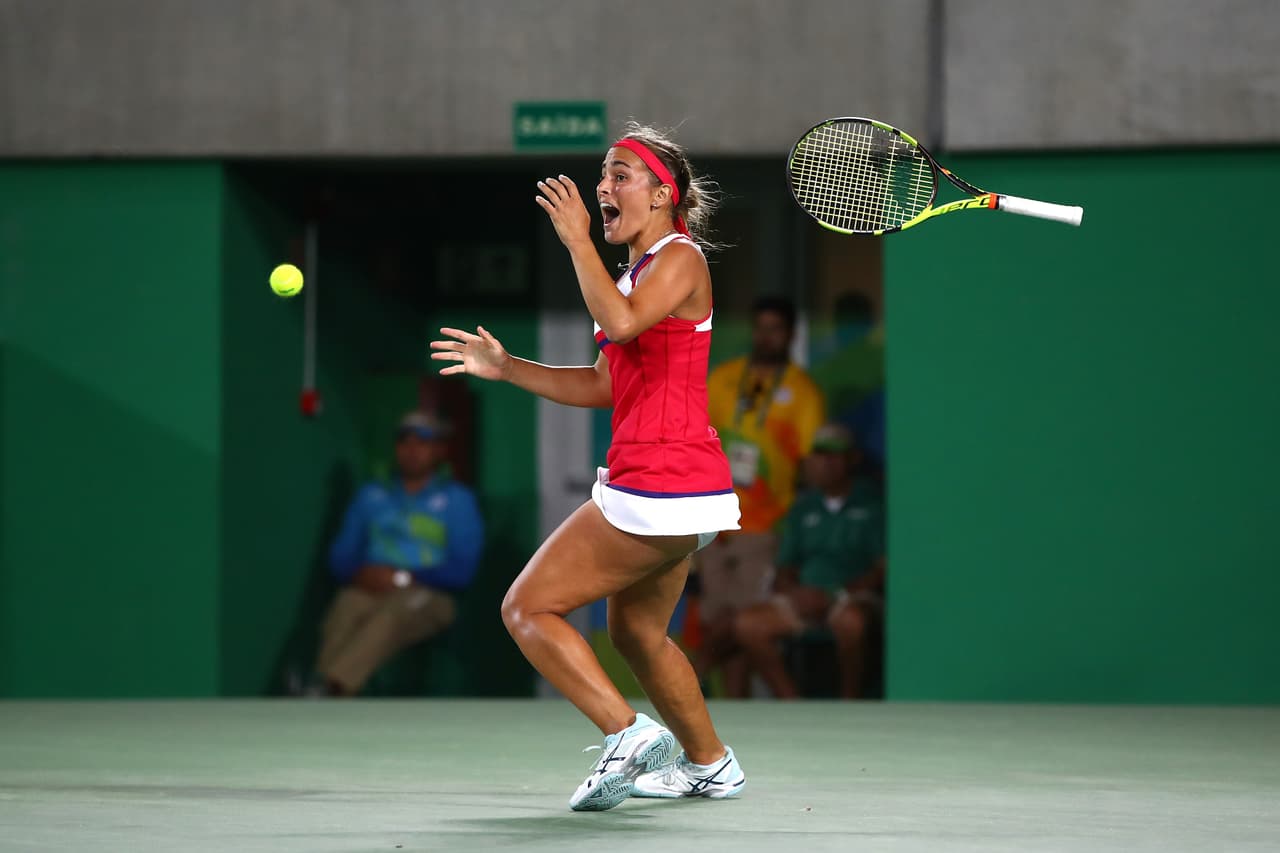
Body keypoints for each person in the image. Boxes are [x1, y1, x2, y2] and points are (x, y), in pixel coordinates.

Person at [430, 123, 746, 810]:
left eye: (620, 175)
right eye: (603, 174)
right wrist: (509, 367)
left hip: (657, 483)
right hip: (682, 488)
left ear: (664, 195)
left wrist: (576, 240)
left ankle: (625, 732)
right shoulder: (639, 272)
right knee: (635, 631)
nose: (603, 187)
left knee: (526, 605)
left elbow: (625, 323)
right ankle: (710, 763)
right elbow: (606, 382)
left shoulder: (680, 259)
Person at [695, 295, 826, 695]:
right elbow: (699, 435)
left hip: (766, 525)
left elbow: (810, 466)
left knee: (742, 623)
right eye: (761, 327)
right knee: (718, 619)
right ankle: (732, 708)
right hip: (714, 519)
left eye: (776, 328)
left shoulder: (802, 392)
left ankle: (689, 675)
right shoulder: (724, 378)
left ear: (790, 334)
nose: (766, 336)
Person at [314, 411, 484, 697]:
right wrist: (362, 573)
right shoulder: (371, 495)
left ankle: (331, 687)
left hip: (432, 595)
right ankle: (328, 692)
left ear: (439, 450)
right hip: (370, 588)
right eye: (405, 442)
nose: (412, 450)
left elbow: (463, 569)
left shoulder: (457, 500)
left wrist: (404, 577)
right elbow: (340, 557)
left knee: (398, 609)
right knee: (348, 604)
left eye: (423, 442)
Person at [733, 423, 885, 699]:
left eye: (835, 455)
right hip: (806, 596)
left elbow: (882, 567)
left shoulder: (870, 502)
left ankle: (851, 701)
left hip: (851, 596)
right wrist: (797, 594)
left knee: (852, 623)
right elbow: (785, 565)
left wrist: (836, 593)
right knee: (748, 624)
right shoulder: (804, 506)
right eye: (820, 454)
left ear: (852, 459)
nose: (826, 463)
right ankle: (791, 701)